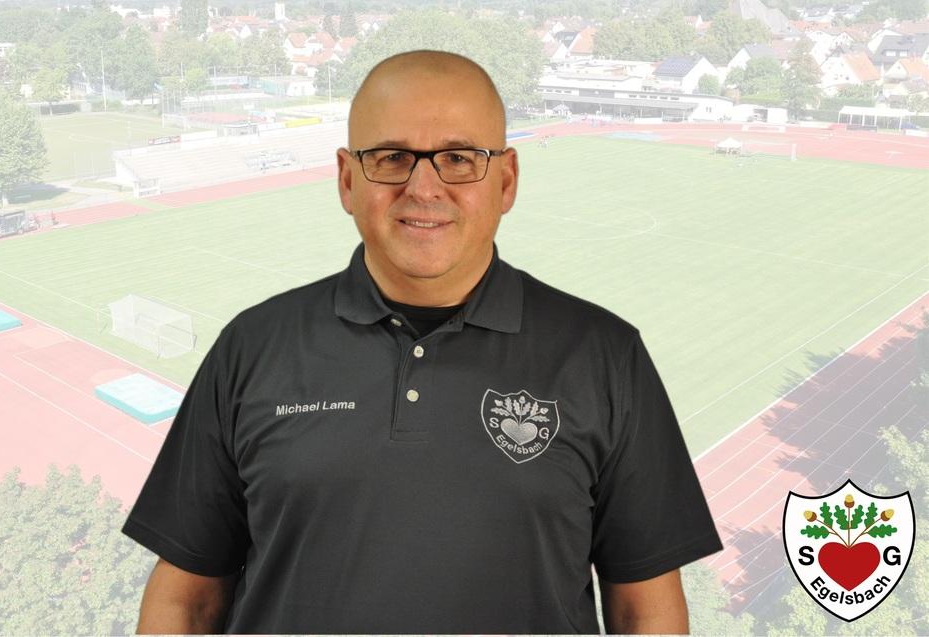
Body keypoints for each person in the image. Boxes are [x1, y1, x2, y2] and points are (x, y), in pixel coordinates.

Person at [121, 50, 722, 634]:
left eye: (459, 158)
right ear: (347, 180)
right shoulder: (250, 347)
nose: (424, 187)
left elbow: (645, 611)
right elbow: (186, 601)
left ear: (506, 181)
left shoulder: (605, 355)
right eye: (391, 157)